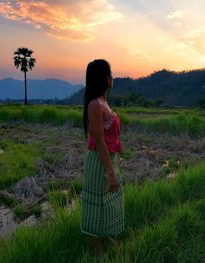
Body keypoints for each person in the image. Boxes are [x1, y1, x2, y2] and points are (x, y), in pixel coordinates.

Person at [81, 59, 124, 254]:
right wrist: (111, 172)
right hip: (99, 163)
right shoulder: (95, 105)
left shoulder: (104, 102)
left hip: (108, 160)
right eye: (110, 73)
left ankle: (109, 239)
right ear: (104, 78)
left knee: (110, 202)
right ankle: (97, 251)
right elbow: (99, 142)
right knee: (97, 203)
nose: (112, 77)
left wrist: (113, 167)